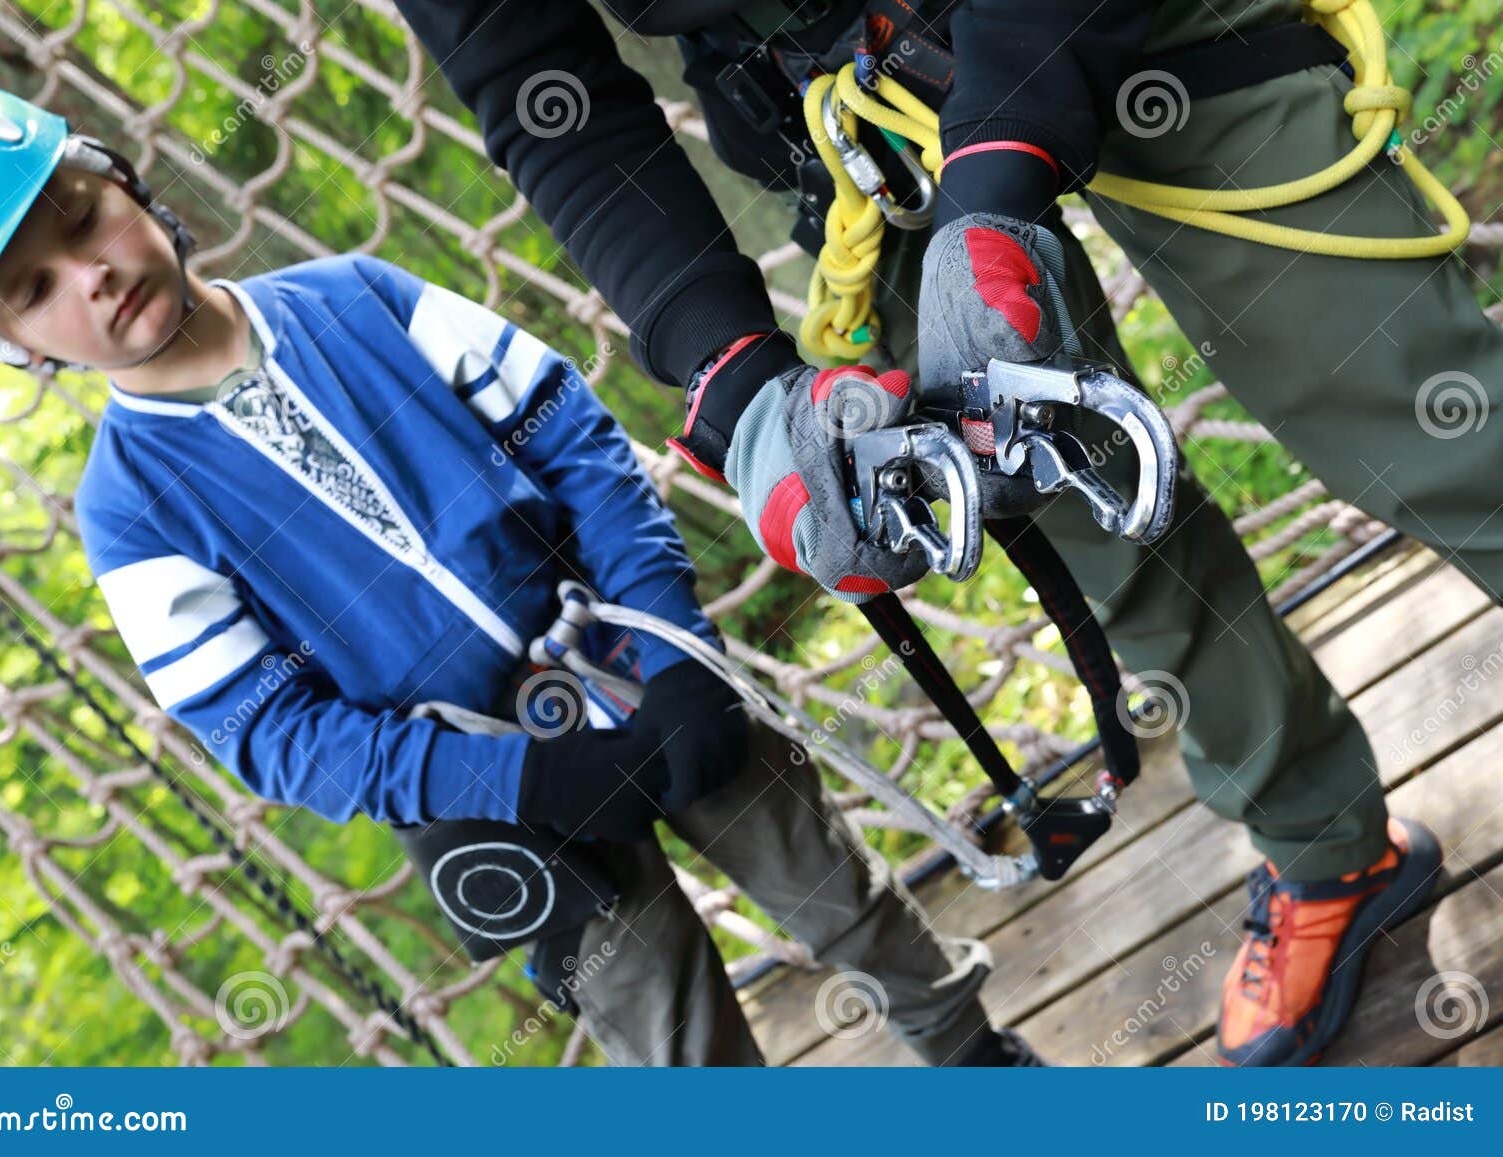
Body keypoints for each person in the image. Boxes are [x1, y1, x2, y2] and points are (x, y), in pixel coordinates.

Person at [392, 0, 1479, 1064]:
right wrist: (733, 379)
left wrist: (1001, 168)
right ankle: (1327, 849)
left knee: (1427, 421)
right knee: (1090, 525)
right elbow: (539, 83)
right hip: (860, 120)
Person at [0, 72, 1053, 1067]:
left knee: (833, 887)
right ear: (15, 344)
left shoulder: (356, 298)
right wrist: (515, 786)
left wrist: (669, 645)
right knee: (664, 1024)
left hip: (621, 648)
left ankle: (979, 1060)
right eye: (33, 288)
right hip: (469, 786)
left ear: (126, 183)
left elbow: (570, 435)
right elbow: (265, 726)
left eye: (79, 217)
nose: (88, 276)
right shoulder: (131, 509)